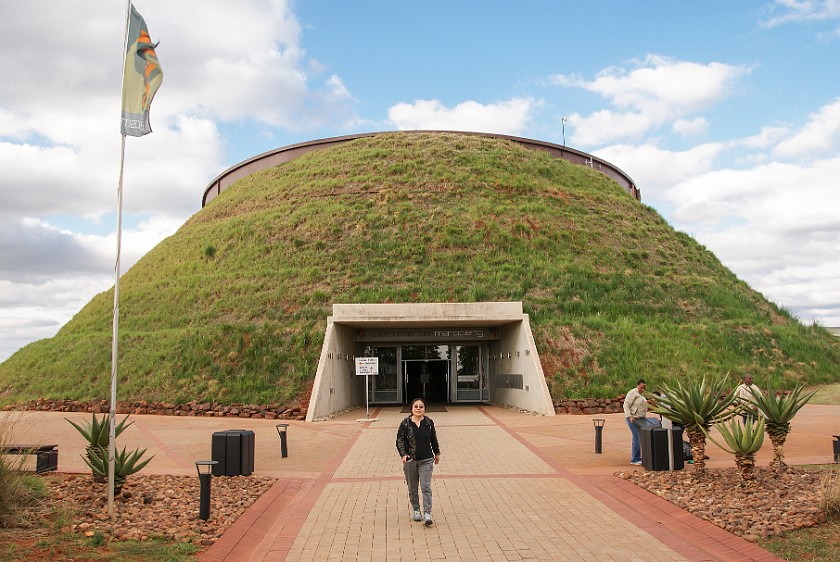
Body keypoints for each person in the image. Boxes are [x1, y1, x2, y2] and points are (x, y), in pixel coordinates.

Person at [395, 397, 441, 525]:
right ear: (412, 409)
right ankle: (416, 510)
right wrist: (403, 454)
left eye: (421, 407)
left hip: (426, 459)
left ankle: (427, 513)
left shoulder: (428, 422)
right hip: (410, 460)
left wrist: (437, 453)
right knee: (413, 487)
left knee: (426, 487)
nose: (418, 409)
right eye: (416, 407)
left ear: (424, 409)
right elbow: (399, 440)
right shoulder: (405, 423)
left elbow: (433, 439)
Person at [623, 378, 650, 466]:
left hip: (641, 419)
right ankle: (635, 459)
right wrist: (629, 416)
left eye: (644, 388)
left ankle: (639, 457)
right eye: (641, 387)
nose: (643, 389)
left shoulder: (642, 396)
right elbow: (626, 404)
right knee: (636, 437)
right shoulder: (632, 393)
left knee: (640, 437)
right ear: (637, 385)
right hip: (633, 419)